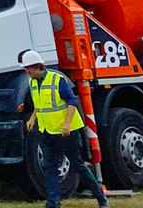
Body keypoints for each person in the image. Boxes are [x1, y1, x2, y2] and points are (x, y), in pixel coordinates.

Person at [18, 49, 107, 208]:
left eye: (28, 68)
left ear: (38, 66)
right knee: (49, 167)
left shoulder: (57, 79)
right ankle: (53, 202)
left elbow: (71, 102)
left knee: (78, 165)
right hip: (47, 131)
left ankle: (101, 199)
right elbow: (40, 105)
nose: (27, 72)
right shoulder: (32, 82)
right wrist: (33, 118)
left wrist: (66, 124)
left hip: (67, 132)